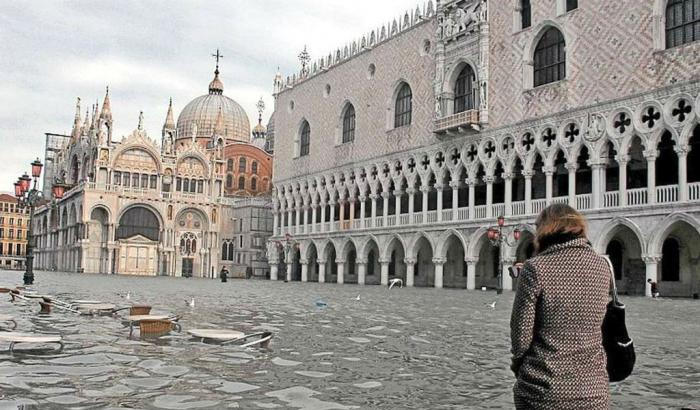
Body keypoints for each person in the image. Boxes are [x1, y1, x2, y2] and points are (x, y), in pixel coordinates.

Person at [510, 204, 610, 409]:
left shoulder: (535, 268)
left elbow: (521, 334)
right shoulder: (602, 266)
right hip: (594, 390)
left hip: (543, 389)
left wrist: (520, 367)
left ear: (545, 229)